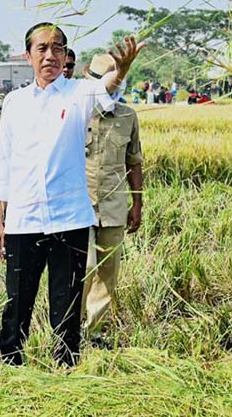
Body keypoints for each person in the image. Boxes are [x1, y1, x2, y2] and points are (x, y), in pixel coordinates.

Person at [0, 22, 144, 367]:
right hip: (24, 218)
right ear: (27, 56)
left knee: (68, 300)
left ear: (65, 55)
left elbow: (109, 88)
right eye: (42, 48)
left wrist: (122, 69)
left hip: (69, 218)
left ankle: (65, 366)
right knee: (18, 300)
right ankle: (9, 362)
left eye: (58, 48)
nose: (50, 55)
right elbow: (5, 162)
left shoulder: (79, 94)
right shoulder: (14, 103)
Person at [81, 53, 143, 337]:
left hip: (114, 205)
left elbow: (134, 161)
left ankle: (93, 332)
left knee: (107, 272)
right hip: (79, 204)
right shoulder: (77, 112)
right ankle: (69, 328)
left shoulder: (128, 116)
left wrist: (137, 203)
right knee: (85, 267)